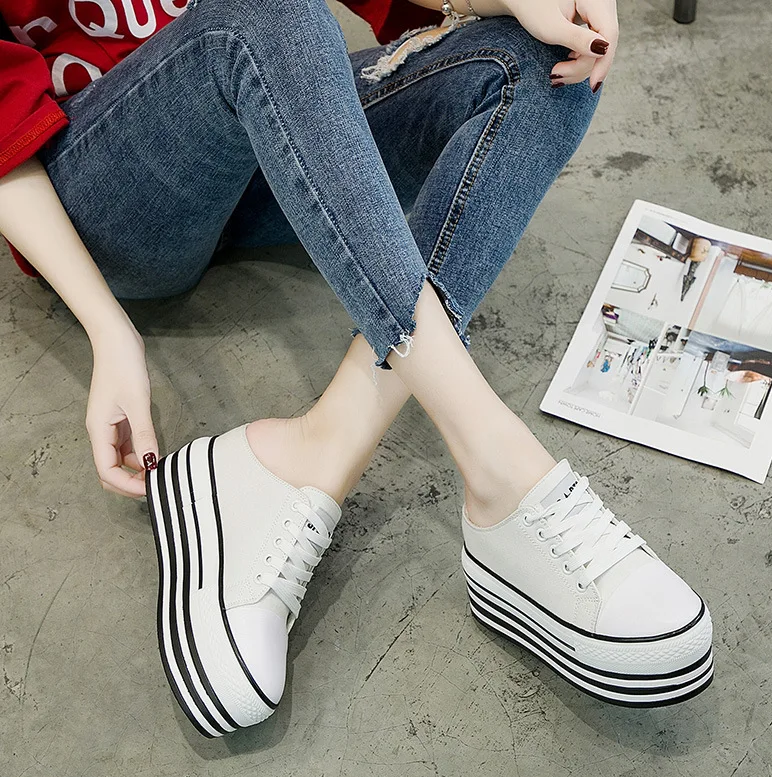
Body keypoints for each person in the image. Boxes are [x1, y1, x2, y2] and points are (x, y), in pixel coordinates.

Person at [0, 0, 713, 738]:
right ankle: (502, 468)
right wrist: (108, 328)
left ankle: (317, 450)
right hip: (110, 197)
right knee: (268, 7)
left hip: (267, 123)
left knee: (543, 65)